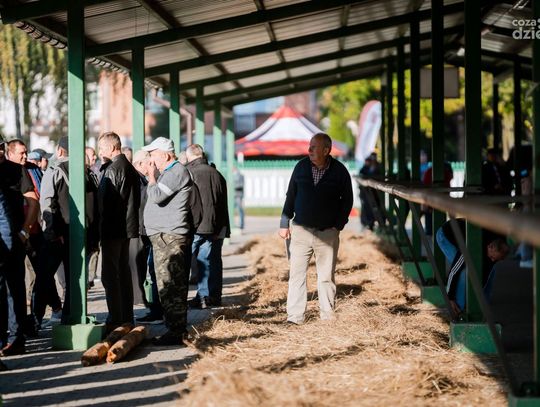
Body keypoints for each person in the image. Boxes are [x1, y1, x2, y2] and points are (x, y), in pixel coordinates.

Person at [278, 133, 353, 324]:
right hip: (301, 231)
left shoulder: (339, 171)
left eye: (314, 147)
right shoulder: (301, 167)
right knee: (296, 275)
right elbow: (291, 195)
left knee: (326, 277)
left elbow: (348, 200)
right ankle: (295, 317)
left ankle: (327, 317)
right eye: (309, 146)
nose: (309, 150)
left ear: (326, 150)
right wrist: (284, 222)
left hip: (327, 233)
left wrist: (338, 225)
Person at [142, 137, 194, 345]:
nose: (151, 159)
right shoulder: (170, 173)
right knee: (167, 283)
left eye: (153, 154)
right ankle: (174, 327)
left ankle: (176, 331)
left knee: (171, 285)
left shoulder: (175, 172)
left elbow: (156, 196)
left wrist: (151, 176)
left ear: (165, 155)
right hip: (165, 236)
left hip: (169, 237)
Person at [97, 132, 140, 330]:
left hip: (113, 229)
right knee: (123, 273)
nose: (100, 152)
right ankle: (126, 317)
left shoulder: (113, 170)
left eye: (101, 148)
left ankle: (115, 318)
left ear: (112, 148)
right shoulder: (129, 168)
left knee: (110, 275)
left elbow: (105, 204)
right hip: (126, 228)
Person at [0, 136, 38, 356]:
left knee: (14, 288)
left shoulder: (17, 170)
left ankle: (16, 338)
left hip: (13, 239)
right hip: (11, 237)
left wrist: (24, 231)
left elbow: (33, 202)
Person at [31, 137, 70, 328]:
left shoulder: (55, 170)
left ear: (59, 150)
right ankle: (68, 315)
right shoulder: (84, 171)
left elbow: (46, 201)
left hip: (56, 234)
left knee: (43, 277)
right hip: (75, 234)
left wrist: (51, 232)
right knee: (72, 280)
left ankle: (36, 319)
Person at [186, 144, 230, 309]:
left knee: (186, 262)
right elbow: (222, 203)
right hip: (213, 226)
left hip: (195, 226)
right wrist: (220, 228)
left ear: (190, 156)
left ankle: (196, 297)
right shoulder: (216, 174)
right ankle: (206, 297)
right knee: (207, 262)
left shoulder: (190, 172)